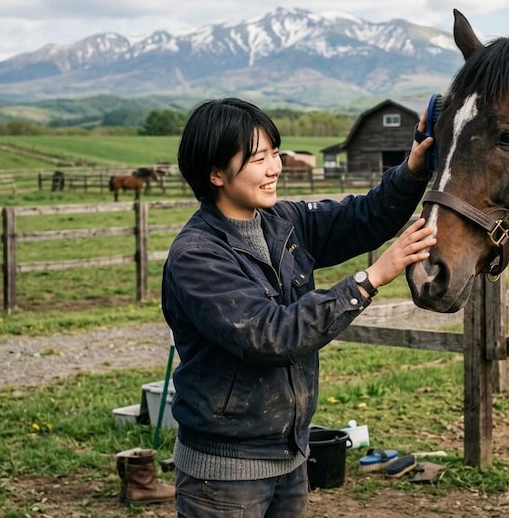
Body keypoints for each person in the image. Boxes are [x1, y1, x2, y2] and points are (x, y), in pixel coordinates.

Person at [162, 97, 437, 517]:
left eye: (274, 153)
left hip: (289, 458)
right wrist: (371, 278)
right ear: (215, 173)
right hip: (223, 477)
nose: (275, 168)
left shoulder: (283, 222)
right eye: (258, 158)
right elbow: (271, 336)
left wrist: (413, 169)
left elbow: (365, 216)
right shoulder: (198, 256)